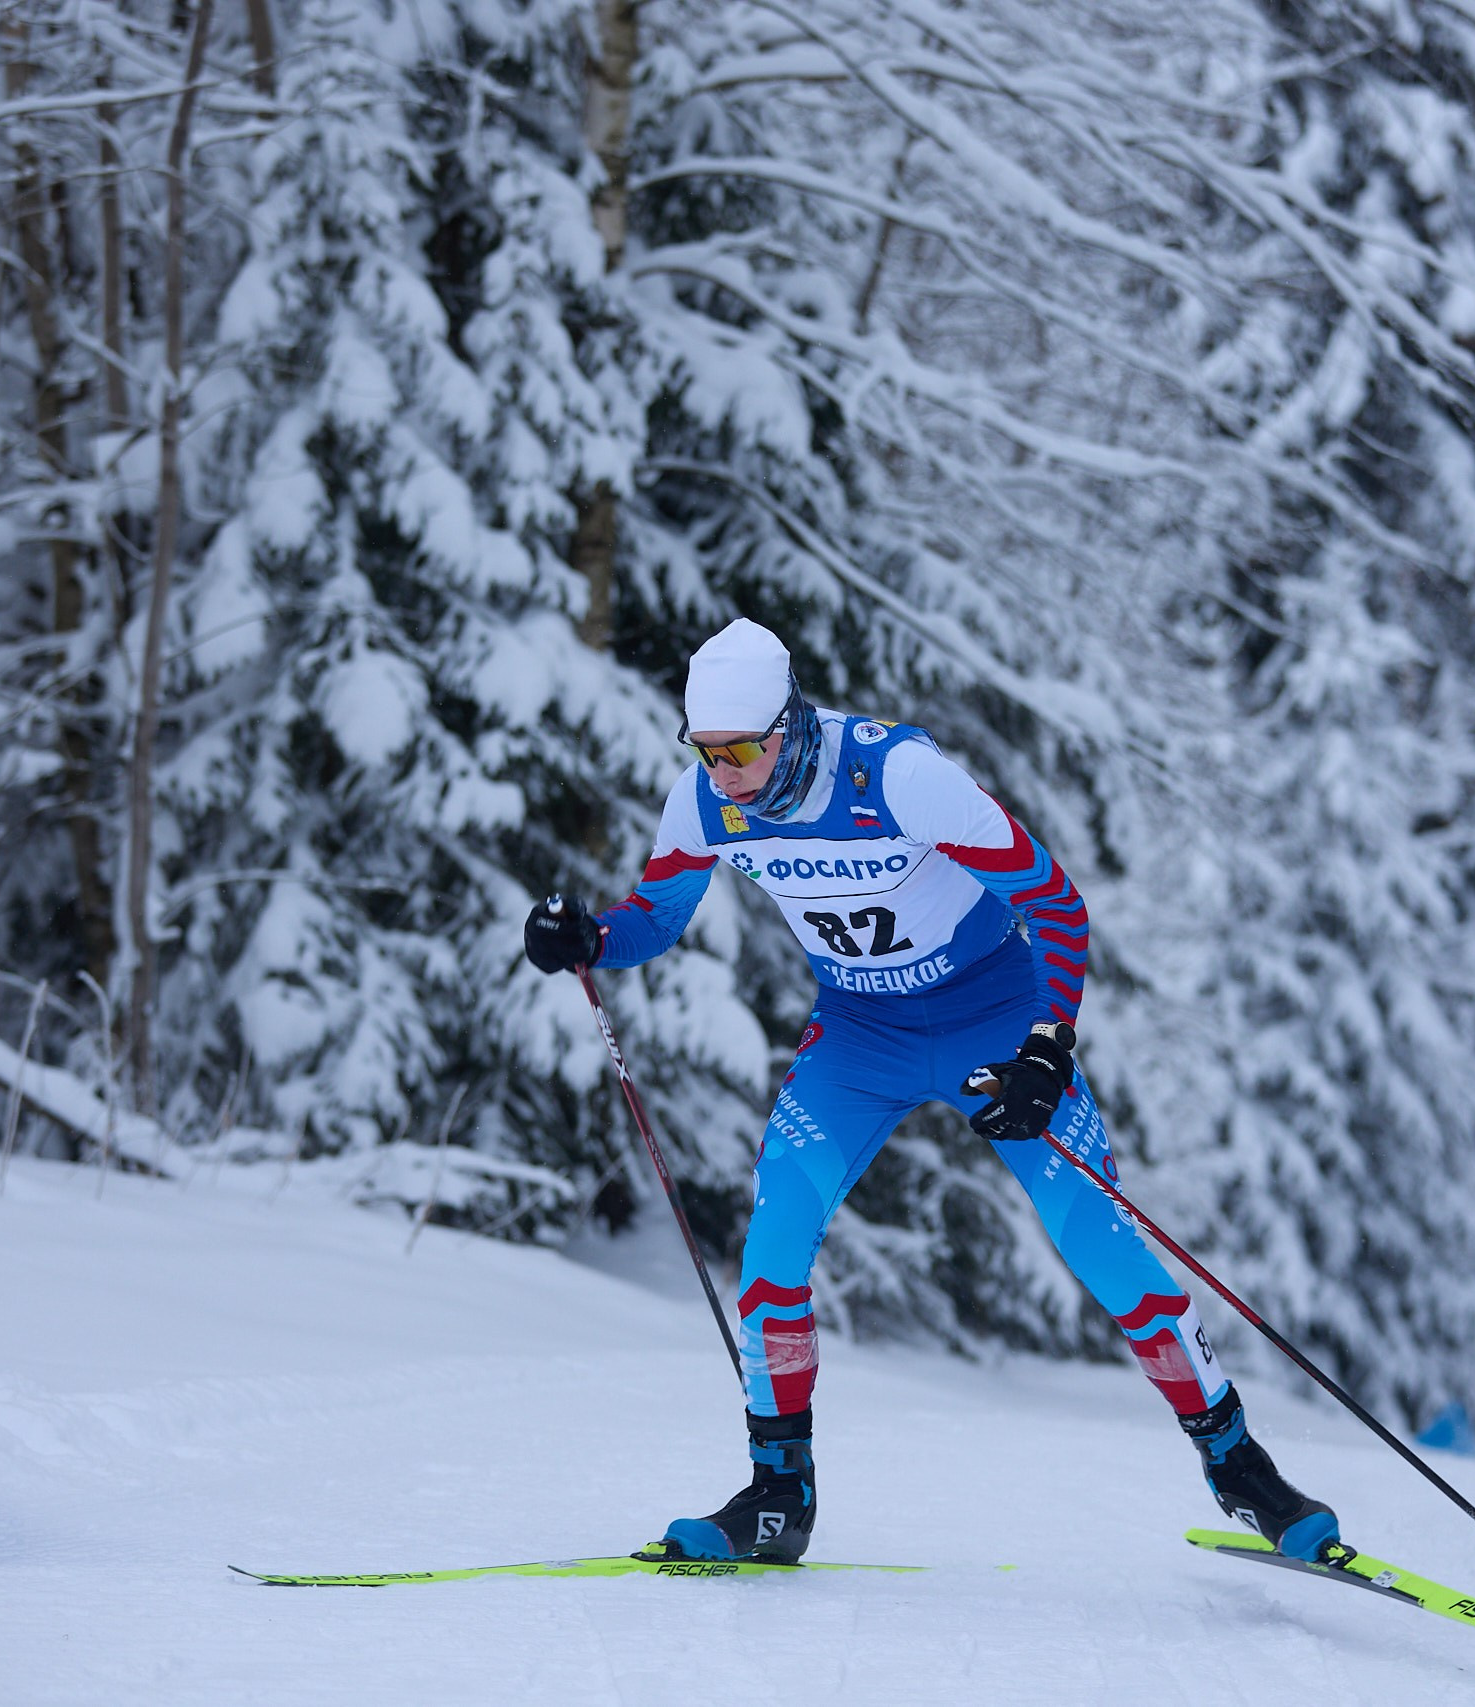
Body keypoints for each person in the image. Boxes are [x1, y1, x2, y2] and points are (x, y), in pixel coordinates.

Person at [522, 618, 1339, 1565]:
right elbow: (655, 916)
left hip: (991, 1013)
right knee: (773, 1244)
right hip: (860, 1035)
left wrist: (1047, 1047)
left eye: (740, 749)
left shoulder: (899, 777)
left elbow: (1055, 904)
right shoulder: (705, 802)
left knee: (1102, 1244)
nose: (724, 773)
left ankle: (1239, 1467)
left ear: (789, 723)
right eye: (705, 751)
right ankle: (779, 1494)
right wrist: (592, 938)